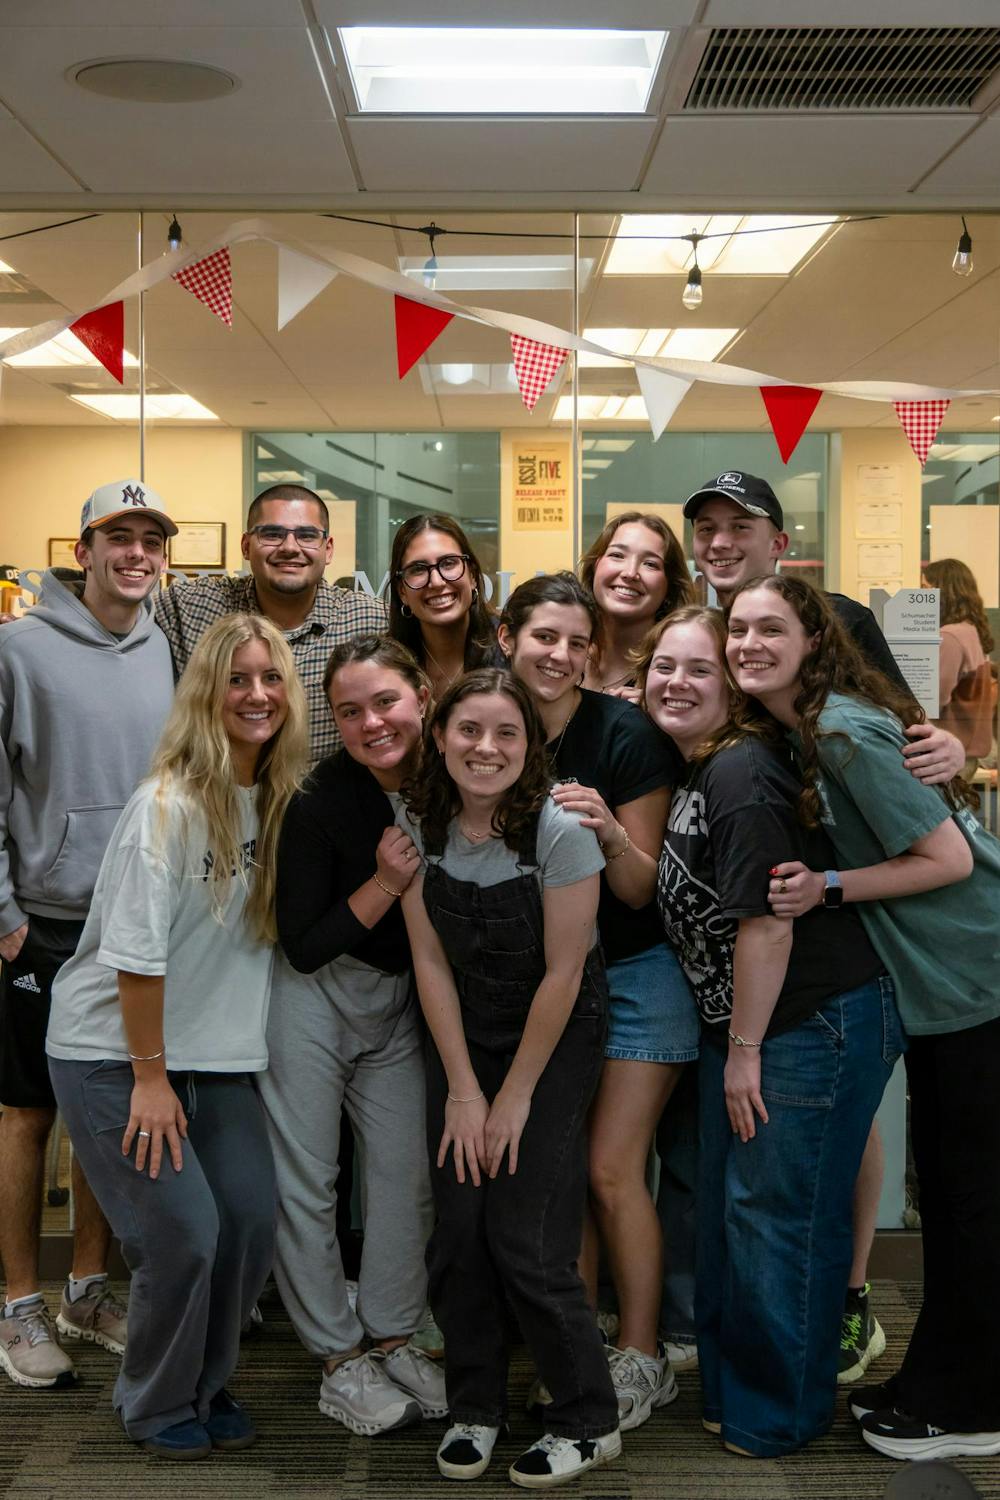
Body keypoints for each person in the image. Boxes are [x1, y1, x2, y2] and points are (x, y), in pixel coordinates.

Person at [685, 468, 968, 1382]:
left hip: (847, 933)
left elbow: (903, 738)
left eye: (741, 526)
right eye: (707, 527)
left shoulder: (837, 623)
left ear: (779, 543)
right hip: (751, 933)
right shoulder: (696, 632)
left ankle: (852, 1300)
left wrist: (956, 747)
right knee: (768, 1175)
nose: (722, 542)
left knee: (838, 1146)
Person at [727, 573, 1000, 1463]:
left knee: (969, 1203)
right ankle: (941, 1382)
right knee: (954, 1197)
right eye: (738, 630)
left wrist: (827, 886)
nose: (749, 645)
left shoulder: (840, 731)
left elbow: (948, 858)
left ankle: (967, 1408)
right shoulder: (809, 728)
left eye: (772, 629)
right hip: (949, 985)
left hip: (979, 979)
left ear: (814, 643)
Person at [46, 613, 309, 1459]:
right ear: (204, 693)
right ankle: (155, 1403)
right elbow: (136, 957)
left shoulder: (277, 800)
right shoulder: (163, 805)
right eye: (237, 679)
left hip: (215, 1054)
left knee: (250, 1220)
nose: (257, 694)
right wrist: (150, 1080)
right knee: (183, 1232)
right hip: (115, 1054)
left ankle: (204, 1380)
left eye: (271, 678)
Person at [640, 604, 900, 1458]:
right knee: (737, 1223)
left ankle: (780, 1416)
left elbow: (768, 925)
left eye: (700, 669)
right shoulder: (698, 766)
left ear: (734, 687)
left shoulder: (741, 773)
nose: (678, 683)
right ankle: (736, 1397)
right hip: (753, 1024)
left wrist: (744, 1050)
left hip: (806, 1022)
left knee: (780, 1224)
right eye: (664, 667)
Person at [398, 670, 621, 1488]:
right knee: (459, 1229)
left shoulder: (560, 829)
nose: (485, 748)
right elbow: (429, 961)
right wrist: (464, 1089)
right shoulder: (417, 819)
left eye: (506, 734)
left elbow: (565, 973)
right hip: (465, 1033)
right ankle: (475, 1407)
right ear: (440, 736)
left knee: (526, 1236)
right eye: (468, 730)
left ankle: (588, 1420)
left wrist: (516, 1097)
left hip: (554, 1037)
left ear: (531, 746)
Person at [498, 573, 697, 1431]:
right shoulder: (486, 722)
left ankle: (642, 1352)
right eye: (545, 636)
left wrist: (611, 830)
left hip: (638, 971)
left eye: (578, 643)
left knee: (613, 1169)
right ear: (506, 637)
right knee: (564, 1172)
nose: (561, 655)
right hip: (544, 976)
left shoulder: (626, 735)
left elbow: (640, 889)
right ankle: (575, 1348)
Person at [0, 478, 177, 1391]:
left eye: (152, 540)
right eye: (120, 538)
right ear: (84, 552)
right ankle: (18, 1304)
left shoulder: (162, 648)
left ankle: (86, 1290)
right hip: (43, 923)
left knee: (105, 1118)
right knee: (29, 1114)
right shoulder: (18, 649)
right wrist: (3, 915)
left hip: (134, 926)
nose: (137, 554)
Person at [259, 634, 445, 1436]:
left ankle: (395, 1334)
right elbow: (304, 944)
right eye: (350, 711)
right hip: (313, 998)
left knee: (406, 1175)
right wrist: (385, 883)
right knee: (309, 1181)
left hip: (400, 1001)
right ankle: (339, 1358)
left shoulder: (455, 775)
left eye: (386, 701)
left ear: (423, 699)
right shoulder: (317, 798)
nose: (372, 722)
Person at [155, 482, 386, 766]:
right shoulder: (191, 606)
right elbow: (118, 612)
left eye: (307, 535)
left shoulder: (372, 621)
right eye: (272, 534)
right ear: (246, 546)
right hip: (216, 791)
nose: (290, 547)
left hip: (326, 794)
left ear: (327, 549)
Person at [386, 513, 501, 701]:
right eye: (418, 569)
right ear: (402, 591)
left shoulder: (509, 649)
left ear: (472, 575)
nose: (437, 582)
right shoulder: (385, 665)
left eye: (448, 563)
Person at [578, 510, 692, 698]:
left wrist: (658, 710)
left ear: (670, 586)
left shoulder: (675, 678)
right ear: (595, 566)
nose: (630, 573)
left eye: (650, 564)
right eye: (617, 555)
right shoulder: (565, 654)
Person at [923, 558, 995, 779]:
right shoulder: (969, 631)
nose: (920, 597)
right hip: (965, 753)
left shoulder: (949, 637)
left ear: (943, 591)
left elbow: (933, 700)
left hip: (947, 752)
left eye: (925, 588)